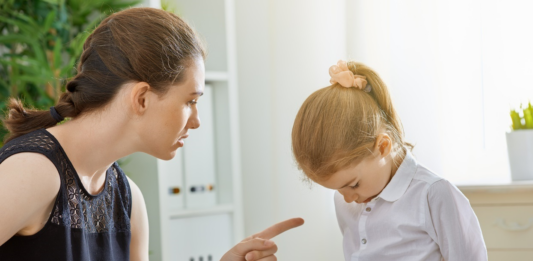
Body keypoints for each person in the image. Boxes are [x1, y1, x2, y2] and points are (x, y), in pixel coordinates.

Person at [0, 7, 303, 261]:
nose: (196, 121)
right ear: (142, 98)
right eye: (190, 101)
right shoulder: (34, 172)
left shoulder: (128, 197)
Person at [291, 60, 487, 261]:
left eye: (353, 185)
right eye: (337, 189)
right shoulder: (344, 201)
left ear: (383, 147)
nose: (347, 198)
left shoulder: (434, 195)